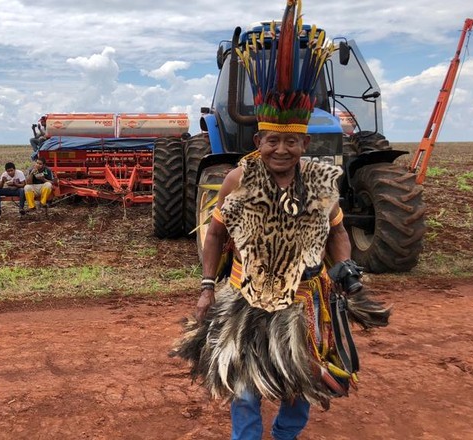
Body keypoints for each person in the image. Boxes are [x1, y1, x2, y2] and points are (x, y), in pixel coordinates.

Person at [170, 4, 390, 439]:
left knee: (298, 384)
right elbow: (214, 234)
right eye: (273, 141)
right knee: (246, 387)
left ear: (303, 142)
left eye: (291, 141)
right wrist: (207, 286)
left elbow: (339, 233)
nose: (282, 150)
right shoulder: (237, 179)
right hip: (245, 299)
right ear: (259, 141)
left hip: (304, 299)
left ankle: (286, 436)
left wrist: (345, 271)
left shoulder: (323, 183)